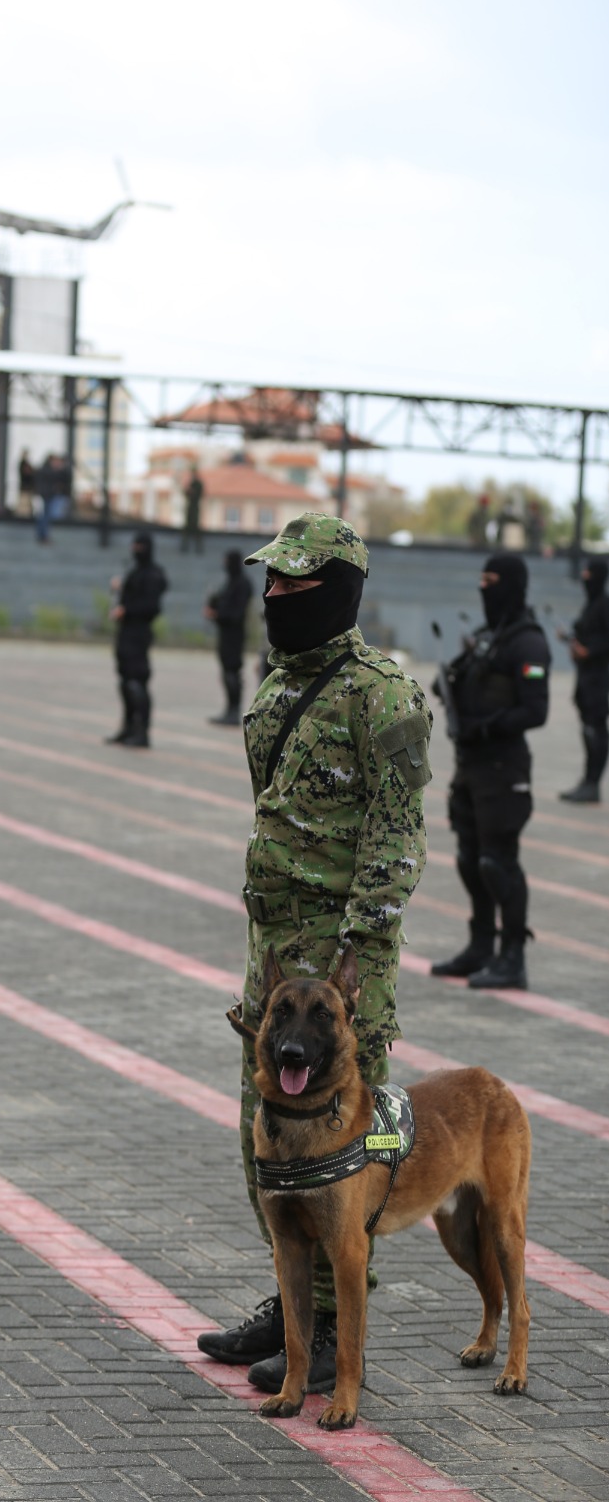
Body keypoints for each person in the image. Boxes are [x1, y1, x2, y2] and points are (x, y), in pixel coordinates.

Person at [196, 512, 432, 1396]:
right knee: (263, 1135)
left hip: (336, 971)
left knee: (342, 1154)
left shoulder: (383, 695)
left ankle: (336, 1324)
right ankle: (293, 1301)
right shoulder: (273, 686)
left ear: (337, 590)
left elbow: (396, 841)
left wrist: (357, 970)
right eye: (272, 583)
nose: (274, 597)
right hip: (273, 955)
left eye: (294, 585)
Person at [431, 552, 549, 990]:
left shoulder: (528, 642)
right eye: (480, 579)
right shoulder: (486, 638)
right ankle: (481, 946)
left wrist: (487, 727)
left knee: (497, 863)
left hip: (504, 767)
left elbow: (536, 710)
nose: (484, 588)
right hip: (471, 767)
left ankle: (512, 956)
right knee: (469, 861)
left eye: (492, 580)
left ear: (513, 585)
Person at [104, 531, 168, 748]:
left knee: (136, 681)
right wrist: (121, 589)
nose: (136, 550)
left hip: (139, 634)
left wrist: (126, 610)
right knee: (124, 681)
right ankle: (128, 727)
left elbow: (151, 607)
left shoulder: (153, 574)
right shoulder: (136, 572)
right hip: (125, 633)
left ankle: (142, 732)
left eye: (140, 546)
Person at [559, 557, 609, 804]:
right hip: (587, 680)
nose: (584, 578)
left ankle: (592, 783)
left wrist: (589, 651)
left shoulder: (604, 604)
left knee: (596, 731)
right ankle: (587, 782)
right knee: (588, 730)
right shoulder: (592, 605)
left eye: (589, 574)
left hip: (600, 682)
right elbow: (585, 633)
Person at [204, 550, 252, 725]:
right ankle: (229, 709)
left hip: (235, 635)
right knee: (226, 672)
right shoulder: (231, 582)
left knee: (232, 672)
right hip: (225, 634)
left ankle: (234, 710)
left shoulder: (242, 583)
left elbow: (236, 612)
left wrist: (217, 614)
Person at [181, 464, 204, 554]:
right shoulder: (192, 483)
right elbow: (186, 493)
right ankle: (185, 546)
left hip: (194, 507)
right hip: (191, 507)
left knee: (195, 527)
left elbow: (196, 494)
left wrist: (191, 491)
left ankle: (198, 547)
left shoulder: (197, 484)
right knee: (188, 527)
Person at [16, 449, 36, 518]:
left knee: (27, 503)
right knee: (24, 504)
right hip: (25, 487)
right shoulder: (23, 463)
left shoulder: (25, 463)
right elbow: (27, 473)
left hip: (27, 487)